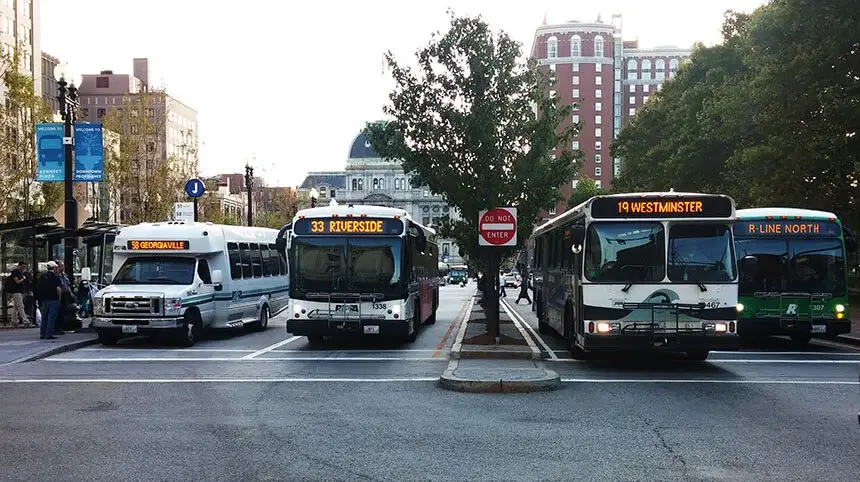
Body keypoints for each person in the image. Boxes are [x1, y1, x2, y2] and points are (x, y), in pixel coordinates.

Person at [36, 261, 62, 340]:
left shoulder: (42, 277)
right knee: (51, 317)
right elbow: (58, 289)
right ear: (54, 268)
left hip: (44, 300)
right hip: (53, 299)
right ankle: (49, 334)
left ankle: (42, 333)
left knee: (44, 317)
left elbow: (38, 287)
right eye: (56, 268)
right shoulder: (55, 277)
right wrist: (59, 297)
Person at [7, 262, 32, 327]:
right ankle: (25, 321)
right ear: (19, 266)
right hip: (16, 291)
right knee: (20, 306)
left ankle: (13, 321)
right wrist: (23, 278)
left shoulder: (20, 273)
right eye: (22, 266)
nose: (23, 268)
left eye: (24, 266)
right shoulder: (15, 272)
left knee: (16, 307)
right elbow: (17, 281)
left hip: (19, 291)